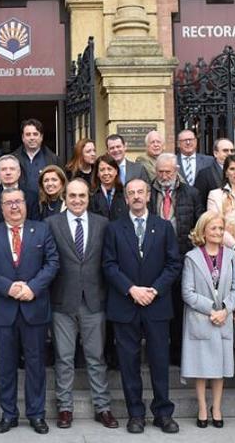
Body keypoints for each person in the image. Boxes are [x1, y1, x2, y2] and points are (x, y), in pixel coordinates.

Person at [102, 178, 182, 434]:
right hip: (125, 304)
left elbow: (173, 264)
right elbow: (109, 265)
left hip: (156, 305)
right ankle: (135, 413)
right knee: (128, 362)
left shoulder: (164, 227)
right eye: (131, 193)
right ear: (125, 198)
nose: (136, 196)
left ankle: (163, 413)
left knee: (159, 360)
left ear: (149, 196)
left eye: (140, 192)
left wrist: (155, 290)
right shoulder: (114, 229)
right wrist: (132, 289)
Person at [0, 188, 59, 434]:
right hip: (4, 310)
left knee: (36, 365)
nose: (14, 207)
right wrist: (8, 287)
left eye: (18, 202)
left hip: (34, 308)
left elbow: (52, 263)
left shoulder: (42, 229)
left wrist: (32, 288)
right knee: (6, 366)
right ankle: (8, 414)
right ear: (1, 207)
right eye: (8, 203)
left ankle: (36, 414)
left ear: (26, 204)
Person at [45, 179, 118, 430]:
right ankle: (64, 408)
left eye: (82, 196)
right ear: (65, 197)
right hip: (62, 301)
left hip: (94, 301)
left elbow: (108, 262)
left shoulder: (102, 224)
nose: (77, 200)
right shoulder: (51, 224)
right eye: (73, 196)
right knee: (64, 358)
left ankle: (103, 407)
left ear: (89, 198)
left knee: (96, 357)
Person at [180, 211, 235, 429]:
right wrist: (211, 309)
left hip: (223, 319)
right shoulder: (192, 257)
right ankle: (202, 408)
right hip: (201, 319)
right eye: (213, 228)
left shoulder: (232, 256)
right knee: (201, 367)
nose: (217, 232)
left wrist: (225, 309)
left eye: (220, 228)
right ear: (203, 231)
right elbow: (187, 293)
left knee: (220, 367)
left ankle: (216, 407)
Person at [149, 152, 204, 366]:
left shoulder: (191, 193)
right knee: (160, 306)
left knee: (181, 307)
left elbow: (198, 224)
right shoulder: (148, 192)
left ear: (176, 171)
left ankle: (179, 353)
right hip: (154, 258)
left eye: (168, 172)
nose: (164, 176)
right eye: (160, 171)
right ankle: (160, 351)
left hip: (182, 256)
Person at [0, 154, 40, 226]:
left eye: (12, 169)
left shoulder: (32, 196)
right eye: (3, 169)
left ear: (19, 173)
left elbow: (36, 226)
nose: (8, 173)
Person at [12, 118, 61, 192]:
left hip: (45, 202)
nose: (32, 138)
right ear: (23, 138)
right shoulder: (13, 159)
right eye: (28, 134)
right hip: (20, 201)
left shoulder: (54, 160)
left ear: (41, 137)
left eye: (35, 134)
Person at [194, 138, 235, 206]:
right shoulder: (204, 174)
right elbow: (199, 202)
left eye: (232, 151)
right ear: (215, 153)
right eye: (225, 150)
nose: (230, 153)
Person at [89, 154, 128, 221]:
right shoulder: (91, 195)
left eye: (109, 169)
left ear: (116, 171)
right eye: (102, 170)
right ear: (97, 173)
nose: (106, 173)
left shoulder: (124, 193)